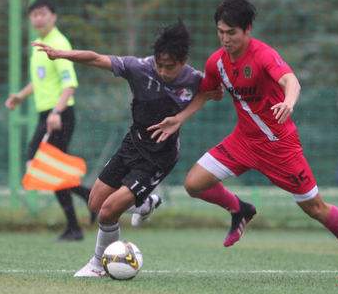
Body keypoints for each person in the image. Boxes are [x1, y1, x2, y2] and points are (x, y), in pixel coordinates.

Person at [149, 0, 338, 281]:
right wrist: (180, 117)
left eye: (232, 32)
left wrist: (289, 102)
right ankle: (240, 210)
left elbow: (291, 80)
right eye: (221, 32)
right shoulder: (217, 62)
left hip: (280, 147)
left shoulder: (263, 55)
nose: (225, 39)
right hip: (244, 141)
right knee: (194, 184)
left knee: (315, 208)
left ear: (247, 29)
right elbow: (206, 92)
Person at [32, 20, 224, 277]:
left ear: (184, 61)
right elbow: (96, 59)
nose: (164, 72)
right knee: (95, 204)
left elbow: (211, 92)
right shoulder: (139, 68)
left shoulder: (194, 78)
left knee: (109, 211)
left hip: (159, 157)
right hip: (132, 144)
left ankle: (98, 265)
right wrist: (62, 54)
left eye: (171, 67)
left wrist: (180, 118)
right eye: (160, 65)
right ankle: (145, 204)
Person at [5, 0, 96, 241]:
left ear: (54, 17)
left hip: (60, 115)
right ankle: (83, 206)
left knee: (39, 162)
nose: (38, 18)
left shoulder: (58, 43)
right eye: (34, 15)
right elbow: (40, 81)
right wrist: (20, 97)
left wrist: (56, 113)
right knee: (47, 167)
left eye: (43, 13)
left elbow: (70, 85)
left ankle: (81, 213)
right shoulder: (41, 45)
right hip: (48, 115)